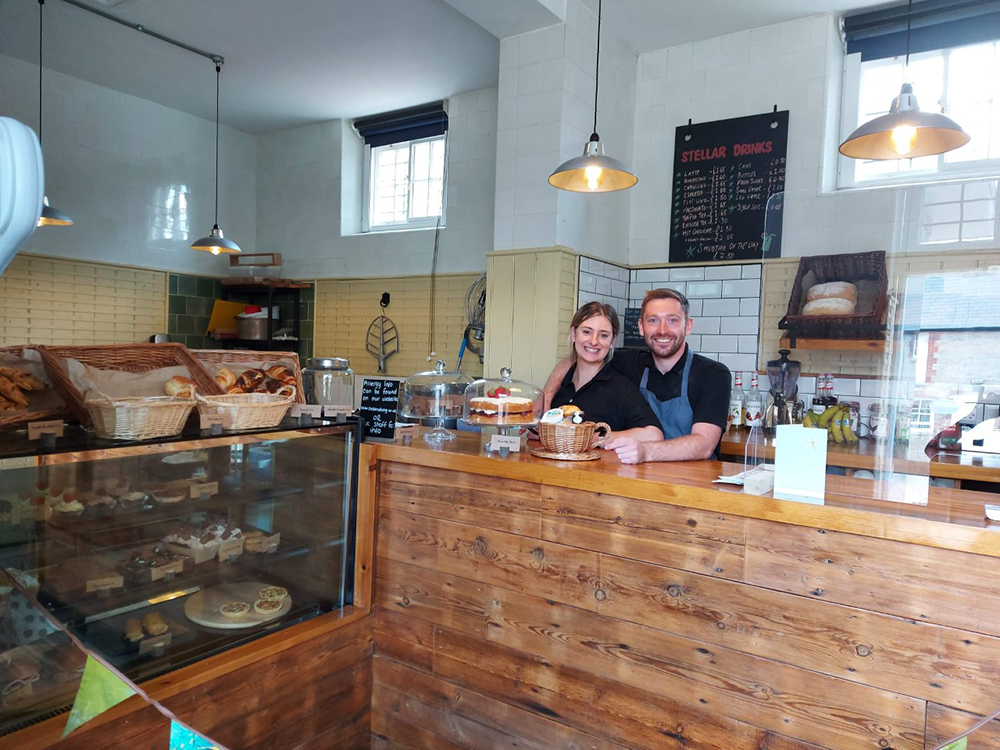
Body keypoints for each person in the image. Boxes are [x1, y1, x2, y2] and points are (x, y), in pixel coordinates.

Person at [543, 289, 731, 464]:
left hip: (693, 483)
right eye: (653, 320)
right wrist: (547, 398)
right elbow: (580, 356)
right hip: (639, 478)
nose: (662, 330)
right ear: (641, 326)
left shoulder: (713, 374)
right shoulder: (628, 361)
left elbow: (704, 445)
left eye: (672, 320)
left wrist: (646, 452)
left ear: (688, 326)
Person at [549, 302, 663, 443]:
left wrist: (595, 438)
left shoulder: (620, 389)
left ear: (612, 341)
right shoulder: (560, 384)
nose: (594, 341)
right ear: (573, 334)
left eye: (603, 335)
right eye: (586, 332)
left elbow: (653, 434)